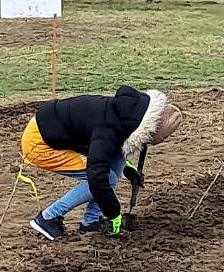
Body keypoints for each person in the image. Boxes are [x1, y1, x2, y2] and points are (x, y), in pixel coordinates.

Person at [22, 86, 182, 240]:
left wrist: (127, 167)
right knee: (106, 178)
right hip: (40, 143)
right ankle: (48, 217)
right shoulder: (108, 130)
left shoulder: (129, 112)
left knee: (119, 160)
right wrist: (114, 214)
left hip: (59, 129)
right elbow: (97, 176)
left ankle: (91, 222)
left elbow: (110, 146)